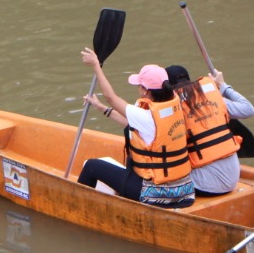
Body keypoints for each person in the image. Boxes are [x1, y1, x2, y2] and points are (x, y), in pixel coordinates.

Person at [76, 48, 196, 209]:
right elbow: (131, 124)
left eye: (139, 85)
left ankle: (78, 208)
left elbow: (111, 97)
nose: (138, 88)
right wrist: (100, 107)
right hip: (186, 193)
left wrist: (96, 65)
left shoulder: (146, 116)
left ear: (146, 90)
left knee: (91, 166)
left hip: (157, 195)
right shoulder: (173, 108)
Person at [164, 64, 254, 196]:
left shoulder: (173, 109)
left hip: (205, 187)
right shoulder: (215, 98)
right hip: (233, 179)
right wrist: (223, 86)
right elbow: (249, 109)